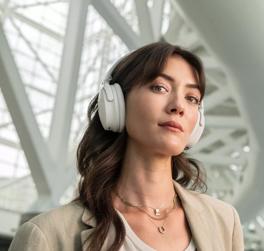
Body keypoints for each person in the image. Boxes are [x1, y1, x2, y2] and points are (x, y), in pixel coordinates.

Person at [9, 42, 244, 251]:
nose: (178, 106)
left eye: (191, 98)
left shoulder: (224, 222)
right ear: (116, 103)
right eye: (160, 88)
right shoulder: (47, 236)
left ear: (198, 122)